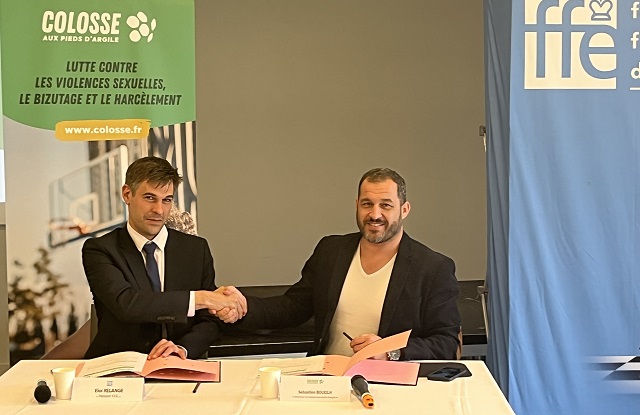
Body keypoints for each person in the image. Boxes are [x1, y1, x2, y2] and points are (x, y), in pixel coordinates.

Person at [229, 168, 460, 360]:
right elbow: (293, 307)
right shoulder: (331, 251)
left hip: (390, 385)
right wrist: (242, 306)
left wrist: (390, 352)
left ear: (405, 209)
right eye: (367, 204)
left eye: (386, 205)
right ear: (357, 205)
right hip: (326, 378)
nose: (375, 214)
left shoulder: (433, 268)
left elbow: (446, 343)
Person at [82, 156, 247, 360]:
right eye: (150, 198)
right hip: (117, 369)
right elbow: (127, 304)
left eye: (167, 200)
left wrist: (182, 350)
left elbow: (209, 321)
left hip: (179, 366)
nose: (159, 210)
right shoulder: (100, 250)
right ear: (127, 194)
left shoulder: (196, 249)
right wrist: (203, 298)